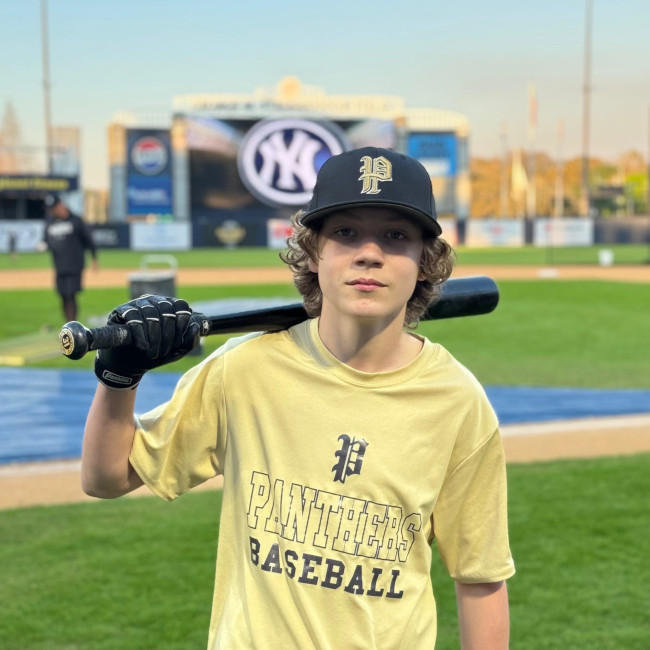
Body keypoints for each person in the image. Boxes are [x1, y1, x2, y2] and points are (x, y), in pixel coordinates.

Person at [81, 147, 515, 649]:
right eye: (346, 233)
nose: (369, 252)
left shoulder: (456, 401)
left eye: (396, 236)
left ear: (425, 260)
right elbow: (105, 478)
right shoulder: (244, 370)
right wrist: (120, 377)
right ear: (313, 252)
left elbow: (480, 577)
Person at [42, 196, 98, 322]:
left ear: (60, 206)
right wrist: (43, 244)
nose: (51, 212)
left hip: (74, 265)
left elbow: (88, 240)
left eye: (53, 208)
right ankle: (68, 326)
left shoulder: (76, 221)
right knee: (63, 296)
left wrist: (94, 258)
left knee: (70, 295)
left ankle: (72, 327)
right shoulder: (50, 222)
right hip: (60, 266)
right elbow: (46, 240)